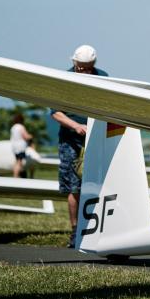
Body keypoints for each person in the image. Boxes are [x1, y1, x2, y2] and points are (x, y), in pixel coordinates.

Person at [51, 44, 108, 248]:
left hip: (96, 139)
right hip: (71, 141)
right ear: (73, 62)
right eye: (80, 66)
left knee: (99, 184)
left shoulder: (103, 77)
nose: (83, 70)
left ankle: (98, 228)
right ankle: (76, 231)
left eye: (88, 67)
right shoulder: (64, 80)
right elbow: (56, 112)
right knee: (74, 187)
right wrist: (76, 126)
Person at [10, 113, 33, 178]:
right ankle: (15, 177)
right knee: (19, 162)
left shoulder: (13, 127)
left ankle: (19, 175)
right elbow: (25, 136)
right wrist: (31, 136)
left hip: (14, 147)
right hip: (20, 147)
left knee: (17, 161)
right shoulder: (21, 127)